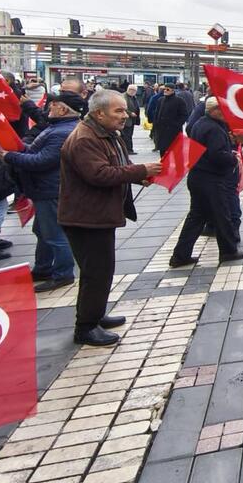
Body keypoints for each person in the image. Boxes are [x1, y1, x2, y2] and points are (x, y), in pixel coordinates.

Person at [58, 89, 162, 346]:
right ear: (98, 113)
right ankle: (86, 327)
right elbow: (100, 174)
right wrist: (141, 169)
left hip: (97, 214)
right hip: (86, 217)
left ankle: (95, 314)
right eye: (118, 111)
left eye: (124, 110)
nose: (124, 116)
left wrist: (138, 177)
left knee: (101, 271)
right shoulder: (85, 138)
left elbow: (115, 167)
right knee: (97, 272)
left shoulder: (104, 134)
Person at [2, 91, 83, 292]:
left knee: (55, 234)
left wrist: (10, 156)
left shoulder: (61, 132)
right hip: (46, 188)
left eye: (52, 105)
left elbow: (42, 161)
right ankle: (43, 268)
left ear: (62, 109)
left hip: (51, 188)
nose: (49, 108)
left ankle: (63, 273)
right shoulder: (58, 128)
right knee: (43, 231)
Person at [170, 97, 243, 267]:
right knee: (222, 215)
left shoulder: (201, 123)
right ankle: (228, 251)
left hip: (198, 176)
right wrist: (233, 158)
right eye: (224, 110)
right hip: (211, 179)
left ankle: (180, 255)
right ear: (215, 111)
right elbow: (217, 155)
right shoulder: (213, 129)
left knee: (196, 217)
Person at [152, 84, 189, 154]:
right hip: (162, 131)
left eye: (167, 89)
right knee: (162, 152)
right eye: (164, 89)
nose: (165, 91)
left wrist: (176, 124)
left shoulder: (179, 101)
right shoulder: (161, 100)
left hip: (173, 132)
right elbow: (157, 113)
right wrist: (156, 124)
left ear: (173, 90)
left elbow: (184, 115)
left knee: (174, 152)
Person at [122, 84, 141, 154]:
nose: (133, 91)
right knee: (127, 136)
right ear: (128, 89)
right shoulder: (124, 96)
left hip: (132, 120)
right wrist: (130, 113)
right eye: (131, 90)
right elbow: (123, 108)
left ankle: (129, 149)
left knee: (129, 135)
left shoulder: (133, 97)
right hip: (126, 120)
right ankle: (128, 150)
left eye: (134, 90)